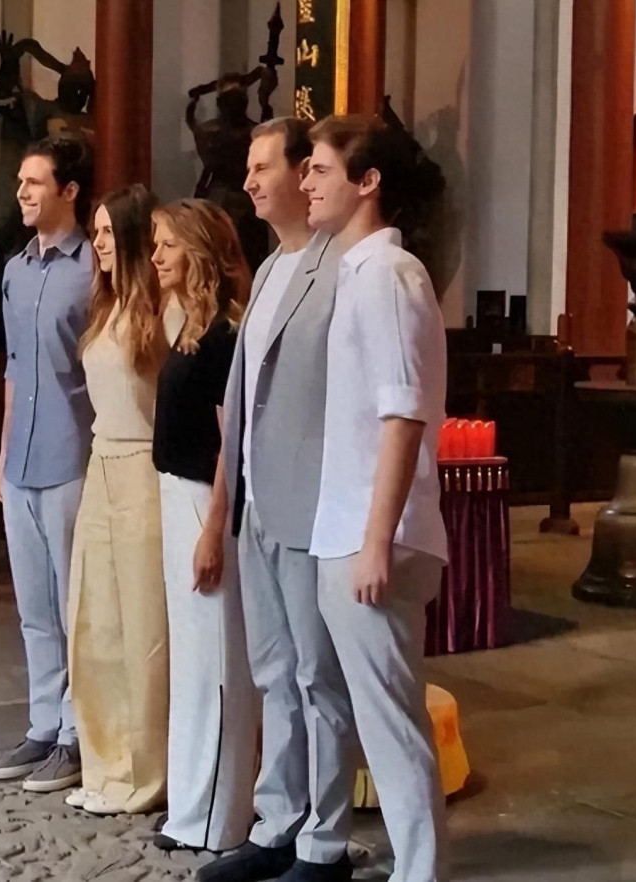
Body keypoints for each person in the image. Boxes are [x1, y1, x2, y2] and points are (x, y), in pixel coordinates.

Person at [198, 117, 354, 882]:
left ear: (303, 173)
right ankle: (278, 824)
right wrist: (225, 505)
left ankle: (325, 843)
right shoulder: (264, 273)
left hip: (311, 504)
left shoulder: (343, 267)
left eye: (264, 168)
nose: (250, 182)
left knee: (317, 676)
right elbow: (242, 399)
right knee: (272, 670)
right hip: (257, 502)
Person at [300, 115, 450, 882]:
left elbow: (404, 414)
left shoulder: (391, 274)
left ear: (368, 182)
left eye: (320, 169)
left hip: (372, 530)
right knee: (366, 708)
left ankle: (419, 870)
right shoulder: (357, 270)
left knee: (390, 719)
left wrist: (375, 540)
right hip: (347, 525)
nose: (306, 182)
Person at [0, 137, 94, 792]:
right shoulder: (15, 270)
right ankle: (43, 725)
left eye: (34, 182)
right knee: (33, 606)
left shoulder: (94, 268)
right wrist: (1, 451)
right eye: (21, 181)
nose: (22, 192)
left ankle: (77, 735)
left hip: (73, 453)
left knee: (75, 605)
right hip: (21, 456)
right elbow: (14, 368)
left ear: (68, 191)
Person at [64, 184, 180, 816]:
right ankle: (104, 763)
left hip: (143, 468)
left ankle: (146, 771)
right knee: (95, 623)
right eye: (96, 232)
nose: (100, 243)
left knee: (143, 629)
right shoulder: (104, 308)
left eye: (109, 232)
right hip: (100, 463)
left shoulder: (160, 310)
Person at [150, 199, 256, 851]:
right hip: (174, 493)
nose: (155, 255)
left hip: (202, 501)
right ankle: (188, 806)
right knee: (190, 664)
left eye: (167, 244)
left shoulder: (224, 333)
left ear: (196, 251)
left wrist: (213, 529)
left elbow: (229, 446)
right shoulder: (190, 324)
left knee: (216, 663)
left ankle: (218, 818)